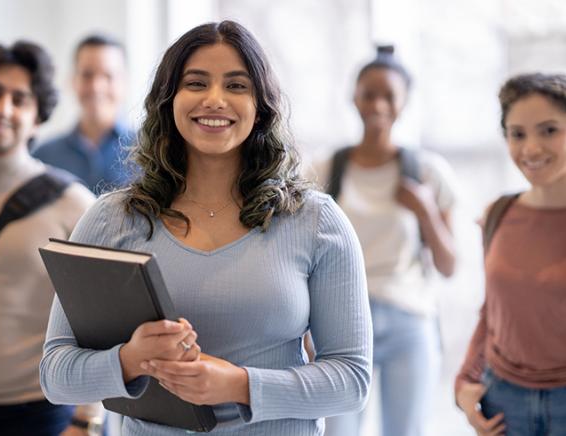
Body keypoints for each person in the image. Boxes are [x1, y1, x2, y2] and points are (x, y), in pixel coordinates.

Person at [40, 20, 372, 436]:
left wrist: (239, 385)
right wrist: (130, 359)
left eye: (236, 86)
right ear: (168, 99)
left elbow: (352, 381)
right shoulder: (113, 218)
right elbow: (55, 374)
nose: (215, 100)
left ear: (261, 105)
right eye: (196, 83)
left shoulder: (316, 221)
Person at [0, 41, 102, 435]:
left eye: (20, 99)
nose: (3, 108)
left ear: (37, 118)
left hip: (40, 413)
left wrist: (87, 420)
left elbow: (100, 322)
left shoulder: (73, 204)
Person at [311, 46, 457, 436]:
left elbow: (448, 265)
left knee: (405, 430)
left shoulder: (428, 172)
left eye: (388, 95)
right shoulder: (324, 170)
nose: (377, 104)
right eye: (368, 93)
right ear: (353, 98)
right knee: (337, 430)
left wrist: (425, 210)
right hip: (339, 319)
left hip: (410, 318)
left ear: (404, 102)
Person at [455, 73, 566, 436]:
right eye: (517, 134)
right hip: (503, 402)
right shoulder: (498, 214)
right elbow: (493, 311)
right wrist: (464, 383)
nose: (531, 149)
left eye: (549, 130)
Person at [33, 34, 134, 195]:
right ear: (72, 80)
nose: (96, 87)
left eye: (108, 76)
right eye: (87, 75)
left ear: (125, 83)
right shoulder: (43, 157)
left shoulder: (151, 152)